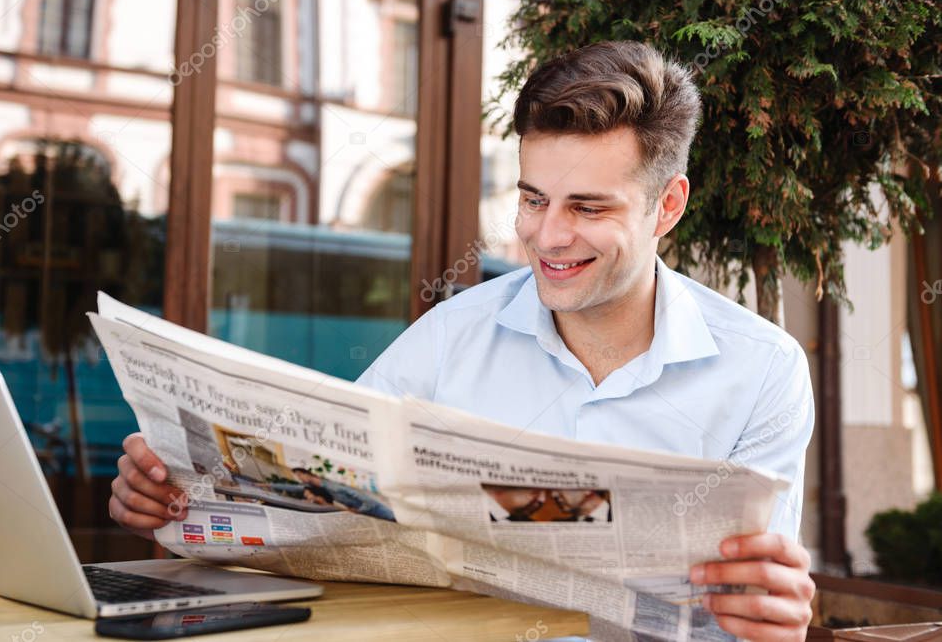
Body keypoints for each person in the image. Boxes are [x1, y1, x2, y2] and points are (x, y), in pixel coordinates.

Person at [108, 41, 815, 641]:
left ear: (667, 206)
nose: (548, 235)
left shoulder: (761, 370)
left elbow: (758, 593)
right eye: (533, 198)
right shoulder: (452, 335)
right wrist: (173, 497)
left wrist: (775, 612)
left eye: (587, 206)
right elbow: (322, 494)